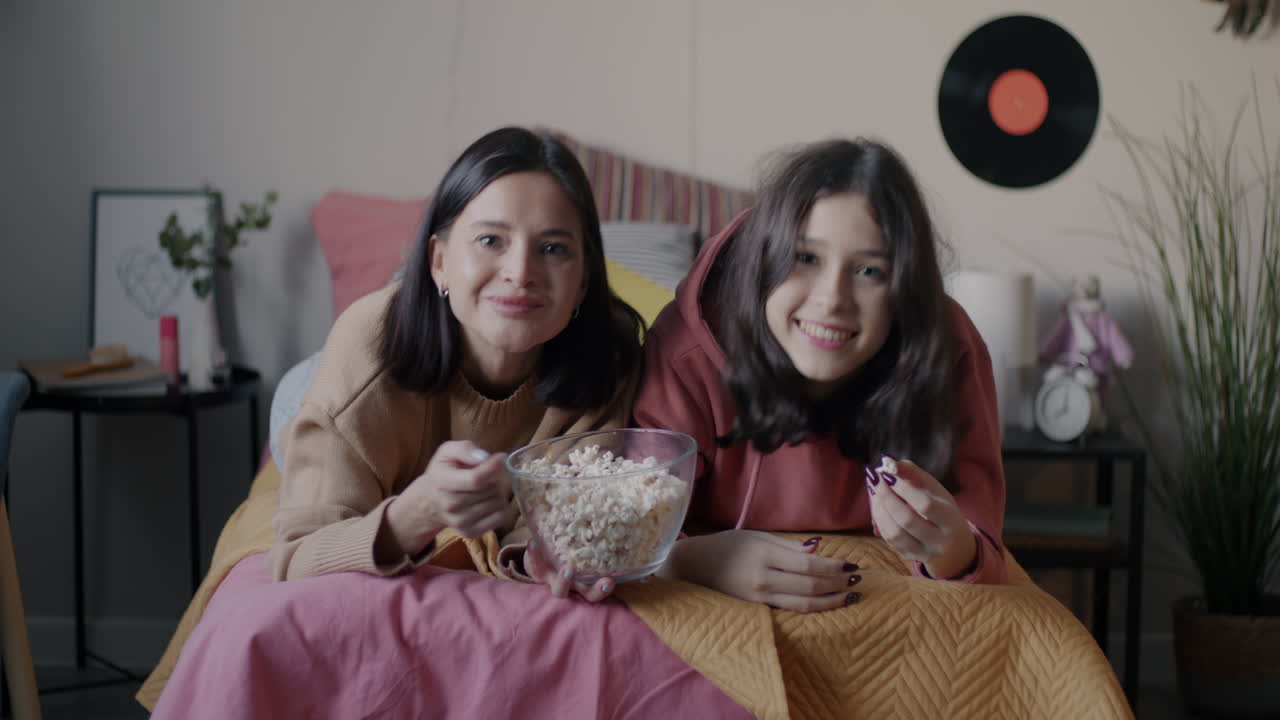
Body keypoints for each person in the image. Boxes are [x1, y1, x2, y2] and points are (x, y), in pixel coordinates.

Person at [150, 127, 753, 718]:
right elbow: (299, 552)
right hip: (358, 390)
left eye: (553, 248)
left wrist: (547, 557)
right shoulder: (368, 350)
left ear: (583, 281)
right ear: (439, 260)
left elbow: (550, 524)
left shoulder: (611, 355)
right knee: (302, 431)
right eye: (490, 240)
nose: (520, 272)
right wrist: (418, 512)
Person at [636, 138, 1008, 613]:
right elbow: (637, 540)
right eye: (806, 258)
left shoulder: (947, 347)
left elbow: (983, 548)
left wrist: (951, 547)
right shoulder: (685, 350)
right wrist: (696, 561)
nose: (832, 299)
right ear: (764, 257)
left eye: (870, 270)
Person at [1037, 273, 1133, 396]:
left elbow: (1115, 339)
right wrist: (1046, 355)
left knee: (1090, 386)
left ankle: (1096, 412)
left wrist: (1123, 357)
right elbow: (1056, 339)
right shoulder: (1069, 319)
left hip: (1095, 368)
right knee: (1055, 378)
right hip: (1070, 364)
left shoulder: (1103, 320)